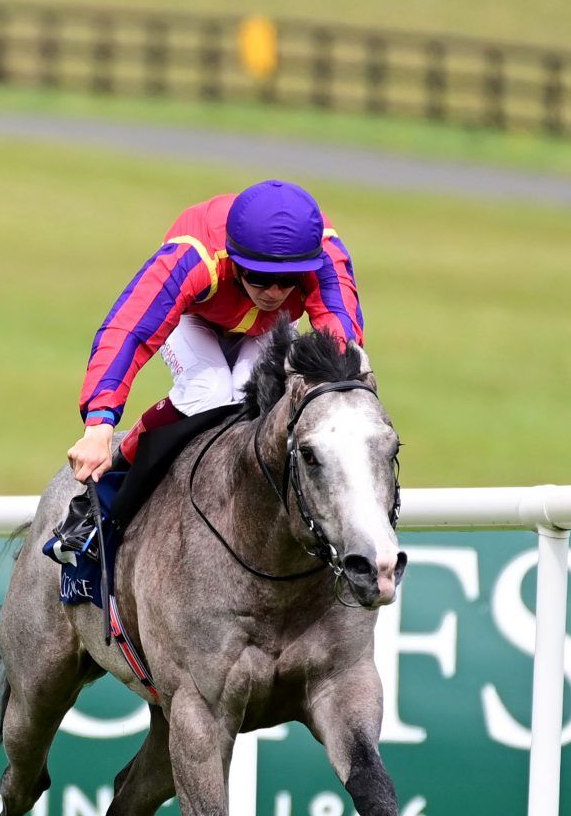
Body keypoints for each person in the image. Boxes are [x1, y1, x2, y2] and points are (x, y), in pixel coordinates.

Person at [53, 179, 364, 555]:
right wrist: (99, 426)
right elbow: (128, 331)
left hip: (269, 327)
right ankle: (105, 498)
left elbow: (341, 341)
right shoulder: (195, 257)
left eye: (288, 280)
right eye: (259, 276)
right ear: (234, 259)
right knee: (209, 390)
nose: (273, 292)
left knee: (258, 399)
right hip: (195, 317)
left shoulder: (323, 254)